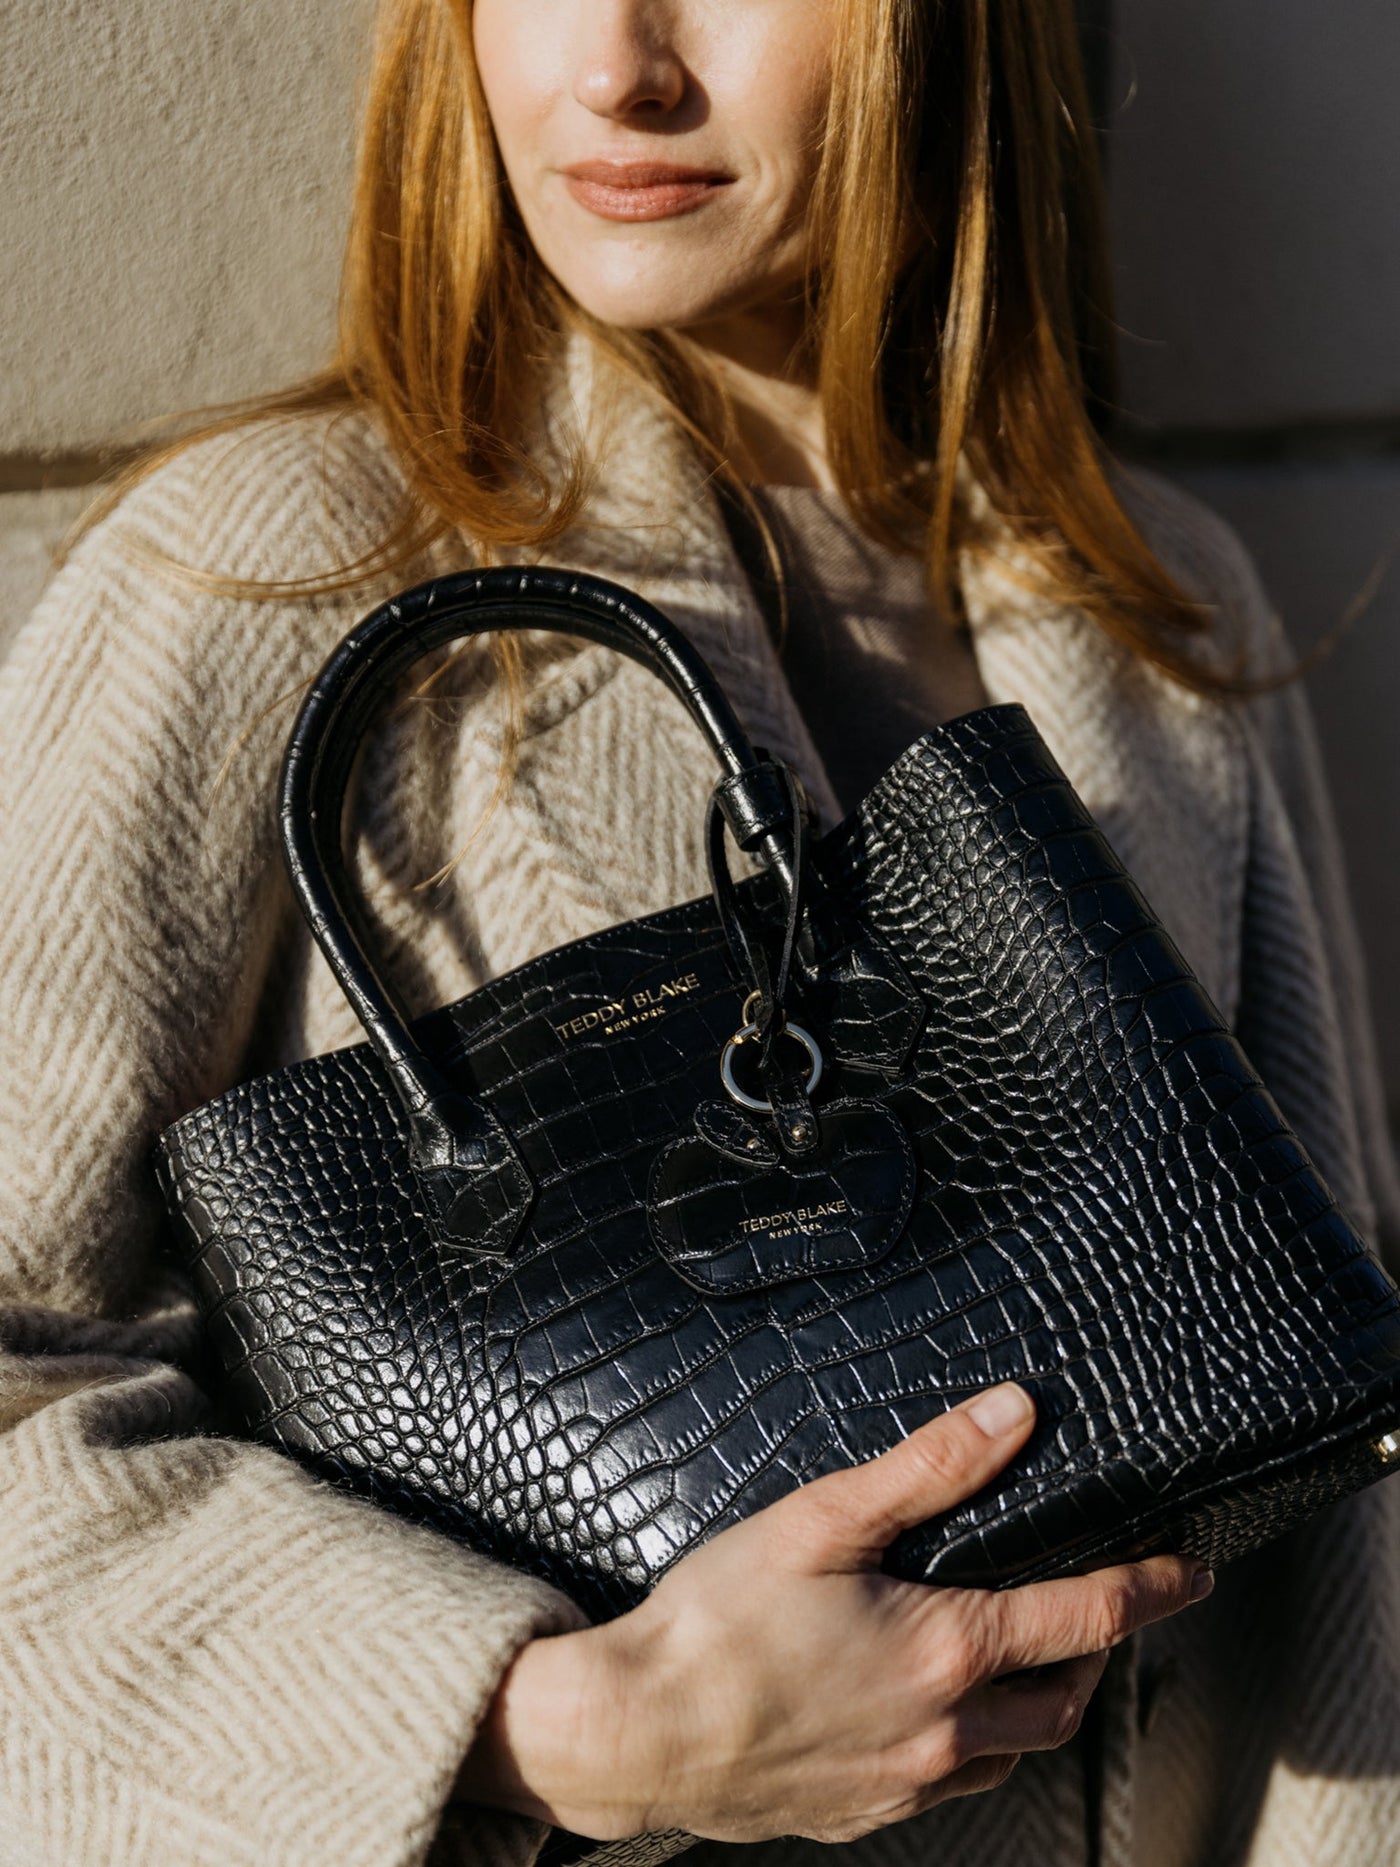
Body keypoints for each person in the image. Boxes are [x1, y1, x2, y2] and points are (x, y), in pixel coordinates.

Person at [2, 2, 1398, 1864]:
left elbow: (1340, 1443)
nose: (619, 70)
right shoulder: (275, 568)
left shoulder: (1152, 609)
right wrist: (556, 1727)